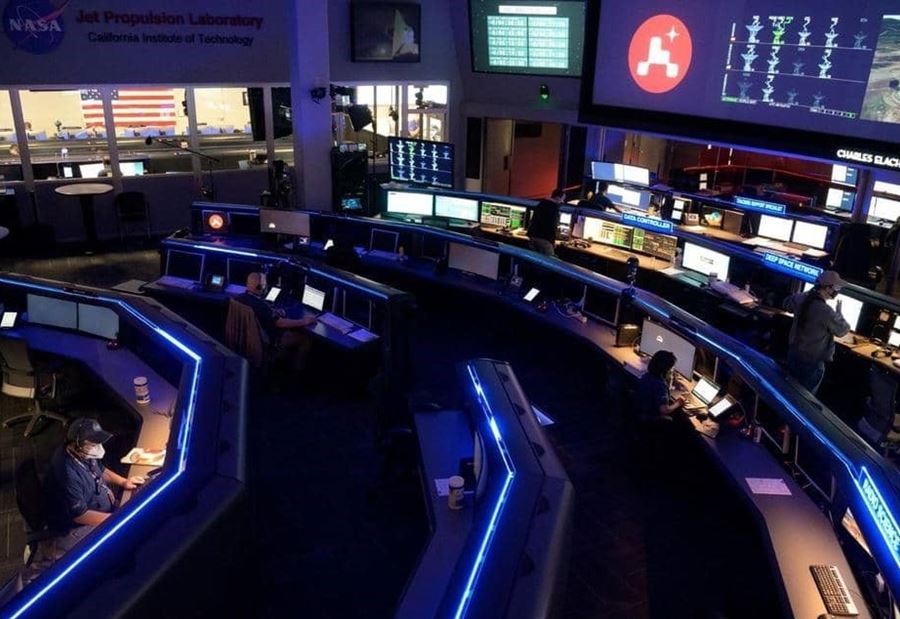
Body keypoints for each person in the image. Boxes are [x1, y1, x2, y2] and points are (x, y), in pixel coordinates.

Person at [43, 418, 144, 553]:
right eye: (93, 444)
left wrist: (124, 482)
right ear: (76, 444)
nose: (98, 448)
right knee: (123, 542)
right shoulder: (67, 475)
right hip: (76, 527)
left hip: (100, 510)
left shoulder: (82, 454)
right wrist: (118, 519)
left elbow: (101, 471)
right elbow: (81, 515)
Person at [783, 270, 850, 394]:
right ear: (828, 288)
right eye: (837, 288)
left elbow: (786, 304)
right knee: (805, 399)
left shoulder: (801, 298)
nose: (838, 291)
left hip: (793, 355)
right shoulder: (826, 311)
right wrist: (839, 313)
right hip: (811, 364)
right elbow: (843, 330)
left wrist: (804, 295)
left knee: (790, 393)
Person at [235, 272, 316, 370]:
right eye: (265, 284)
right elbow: (281, 323)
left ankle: (281, 362)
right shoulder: (261, 306)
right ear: (260, 287)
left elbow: (264, 312)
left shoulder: (238, 298)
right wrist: (304, 321)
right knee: (305, 339)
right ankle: (295, 374)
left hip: (245, 339)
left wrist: (273, 311)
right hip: (267, 341)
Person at [636, 350, 686, 423]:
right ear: (665, 371)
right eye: (671, 368)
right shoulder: (660, 386)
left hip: (640, 413)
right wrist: (678, 403)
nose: (672, 371)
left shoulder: (646, 376)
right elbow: (664, 410)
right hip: (649, 420)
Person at [527, 188, 564, 256]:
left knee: (535, 258)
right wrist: (552, 242)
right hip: (544, 240)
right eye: (562, 199)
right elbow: (552, 227)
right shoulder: (553, 208)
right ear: (558, 197)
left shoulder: (542, 203)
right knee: (549, 260)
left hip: (533, 237)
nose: (562, 201)